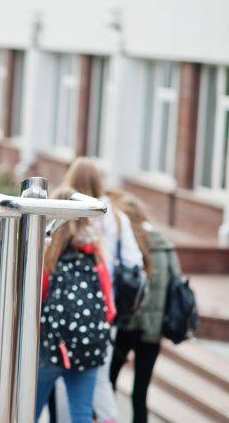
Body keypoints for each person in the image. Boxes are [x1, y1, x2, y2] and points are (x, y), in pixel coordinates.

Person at [63, 157, 143, 422]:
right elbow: (135, 262)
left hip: (66, 304)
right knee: (98, 375)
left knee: (61, 371)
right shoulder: (116, 217)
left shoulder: (67, 212)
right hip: (105, 307)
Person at [35, 186, 116, 423]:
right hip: (87, 347)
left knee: (30, 410)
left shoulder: (47, 253)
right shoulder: (95, 254)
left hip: (50, 346)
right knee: (81, 412)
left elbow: (37, 298)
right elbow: (109, 308)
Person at [108, 190, 181, 423]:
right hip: (154, 330)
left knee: (109, 381)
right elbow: (176, 283)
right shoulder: (166, 245)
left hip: (130, 324)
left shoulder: (132, 243)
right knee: (141, 392)